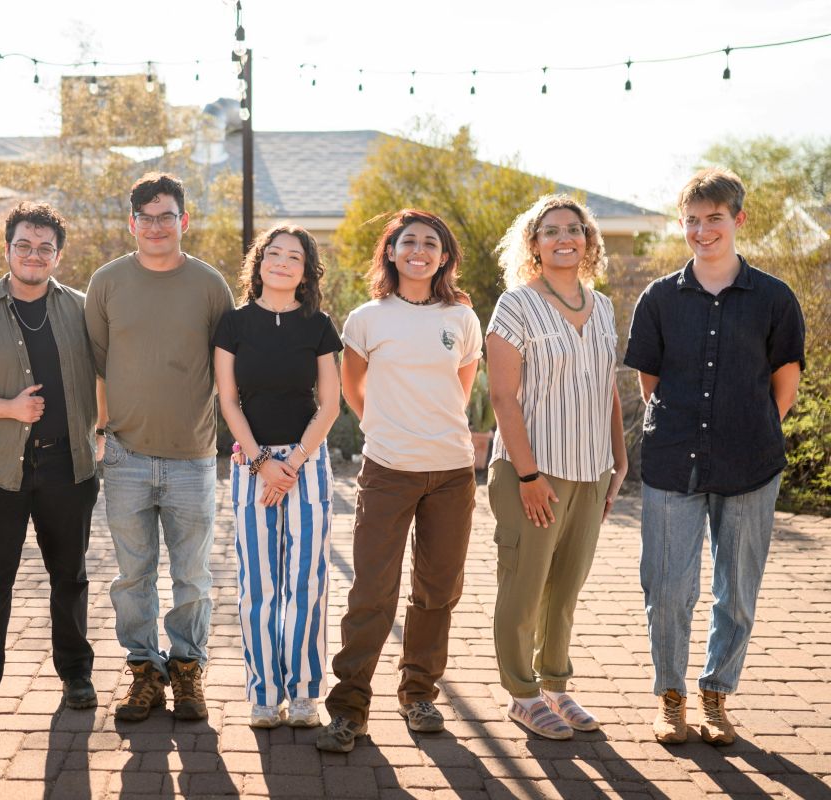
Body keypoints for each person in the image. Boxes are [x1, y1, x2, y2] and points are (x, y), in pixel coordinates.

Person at [625, 168, 804, 746]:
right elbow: (649, 383)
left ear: (738, 220)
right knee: (668, 587)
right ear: (684, 224)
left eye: (714, 219)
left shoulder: (775, 298)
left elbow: (786, 383)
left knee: (737, 590)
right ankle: (671, 697)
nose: (702, 231)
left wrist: (749, 431)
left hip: (751, 464)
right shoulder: (658, 298)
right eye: (692, 221)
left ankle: (716, 696)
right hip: (674, 460)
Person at [316, 209, 482, 753]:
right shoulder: (367, 318)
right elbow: (354, 390)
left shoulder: (461, 318)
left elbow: (460, 391)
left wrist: (430, 431)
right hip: (387, 470)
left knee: (437, 591)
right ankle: (349, 707)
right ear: (390, 251)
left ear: (444, 256)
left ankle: (418, 694)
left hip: (452, 473)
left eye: (430, 242)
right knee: (372, 591)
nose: (419, 250)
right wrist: (388, 429)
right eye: (408, 241)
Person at [0, 202, 101, 723]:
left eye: (45, 247)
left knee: (70, 577)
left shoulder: (80, 309)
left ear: (58, 254)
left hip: (68, 468)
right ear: (7, 249)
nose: (35, 255)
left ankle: (76, 674)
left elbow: (112, 372)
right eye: (24, 245)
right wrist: (8, 409)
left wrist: (101, 432)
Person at [84, 172, 233, 722]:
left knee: (192, 576)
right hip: (125, 455)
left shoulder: (210, 285)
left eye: (165, 215)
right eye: (144, 217)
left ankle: (188, 670)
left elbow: (227, 370)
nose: (154, 226)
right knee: (132, 576)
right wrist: (103, 431)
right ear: (132, 223)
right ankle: (145, 670)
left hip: (193, 456)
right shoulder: (107, 283)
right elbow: (97, 364)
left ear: (183, 221)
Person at [486, 195, 628, 740]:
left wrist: (618, 458)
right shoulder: (516, 305)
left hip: (590, 471)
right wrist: (527, 476)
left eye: (574, 229)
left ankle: (555, 684)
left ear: (589, 241)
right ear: (534, 244)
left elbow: (606, 387)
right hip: (534, 471)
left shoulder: (603, 306)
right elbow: (503, 397)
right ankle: (522, 695)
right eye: (551, 231)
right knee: (524, 587)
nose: (564, 237)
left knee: (566, 589)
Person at [214, 225, 342, 729]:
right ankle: (264, 694)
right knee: (260, 585)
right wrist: (261, 461)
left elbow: (331, 404)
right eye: (274, 254)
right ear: (259, 262)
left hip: (307, 465)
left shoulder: (319, 326)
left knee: (308, 582)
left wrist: (292, 464)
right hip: (251, 462)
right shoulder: (234, 324)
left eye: (294, 257)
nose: (283, 263)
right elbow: (228, 400)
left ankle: (306, 694)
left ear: (307, 270)